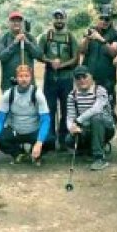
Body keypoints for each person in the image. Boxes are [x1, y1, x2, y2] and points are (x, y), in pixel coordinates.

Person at [0, 65, 51, 165]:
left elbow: (45, 119)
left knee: (50, 140)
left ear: (31, 78)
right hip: (15, 131)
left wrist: (39, 142)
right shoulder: (9, 94)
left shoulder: (37, 94)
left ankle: (35, 154)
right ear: (16, 78)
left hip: (34, 130)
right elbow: (0, 118)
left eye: (27, 76)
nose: (24, 79)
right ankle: (18, 154)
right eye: (21, 76)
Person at [38, 9, 80, 151]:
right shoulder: (46, 36)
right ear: (53, 20)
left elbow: (76, 58)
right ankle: (49, 140)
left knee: (66, 109)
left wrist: (62, 65)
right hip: (50, 77)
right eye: (56, 18)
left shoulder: (70, 37)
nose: (59, 21)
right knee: (49, 108)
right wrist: (50, 62)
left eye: (61, 18)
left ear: (65, 19)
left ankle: (64, 139)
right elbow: (39, 54)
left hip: (66, 78)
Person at [65, 66, 115, 171]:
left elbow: (96, 109)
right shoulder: (72, 95)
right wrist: (72, 128)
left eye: (84, 76)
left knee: (96, 118)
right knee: (69, 139)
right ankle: (88, 149)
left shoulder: (100, 90)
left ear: (91, 77)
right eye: (78, 78)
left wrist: (78, 121)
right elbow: (70, 116)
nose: (82, 80)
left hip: (105, 127)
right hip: (85, 127)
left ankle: (99, 157)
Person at [78, 4, 117, 112]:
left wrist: (100, 39)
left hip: (107, 80)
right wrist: (87, 39)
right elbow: (81, 50)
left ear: (111, 19)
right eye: (102, 18)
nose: (104, 21)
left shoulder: (116, 35)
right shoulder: (91, 31)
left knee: (107, 110)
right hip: (89, 79)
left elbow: (113, 52)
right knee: (87, 109)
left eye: (107, 19)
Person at [0, 10, 41, 89]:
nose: (16, 23)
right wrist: (15, 43)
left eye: (18, 21)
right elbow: (1, 57)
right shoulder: (4, 39)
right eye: (13, 21)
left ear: (22, 23)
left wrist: (27, 43)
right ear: (9, 23)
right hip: (9, 83)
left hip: (28, 83)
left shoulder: (30, 37)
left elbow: (38, 54)